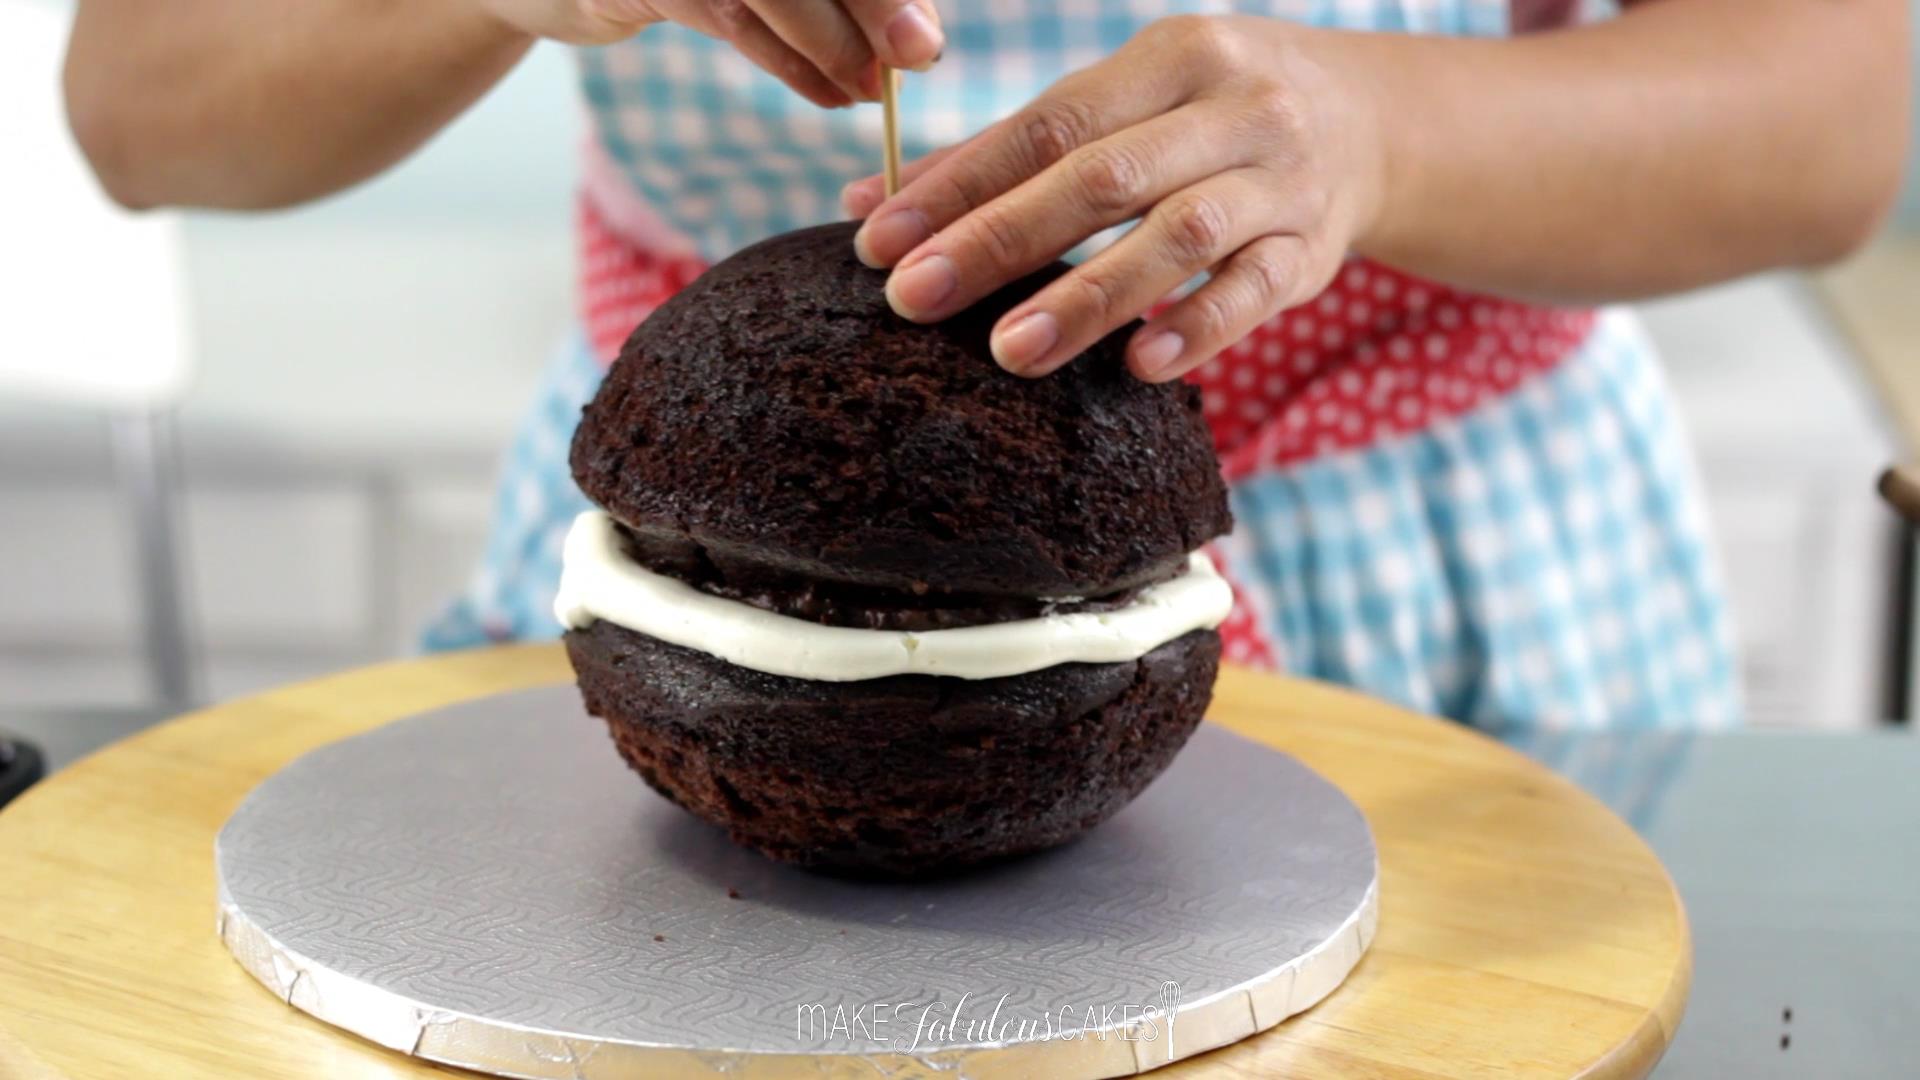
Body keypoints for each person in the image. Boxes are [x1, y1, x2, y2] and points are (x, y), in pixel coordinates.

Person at [66, 1, 1910, 730]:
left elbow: (1842, 120)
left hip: (1455, 601)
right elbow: (141, 113)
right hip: (713, 584)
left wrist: (1380, 129)